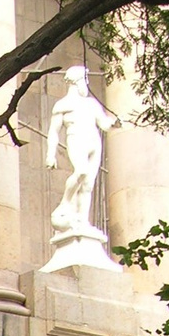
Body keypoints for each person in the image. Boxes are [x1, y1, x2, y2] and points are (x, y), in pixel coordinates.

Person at [46, 65, 120, 236]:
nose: (87, 83)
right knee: (81, 172)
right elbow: (53, 131)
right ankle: (65, 202)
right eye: (85, 80)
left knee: (87, 185)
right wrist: (51, 154)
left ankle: (82, 221)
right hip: (76, 138)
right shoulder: (62, 105)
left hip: (94, 141)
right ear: (78, 81)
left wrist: (113, 123)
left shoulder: (91, 104)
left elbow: (103, 123)